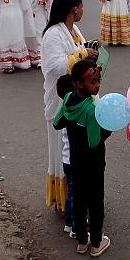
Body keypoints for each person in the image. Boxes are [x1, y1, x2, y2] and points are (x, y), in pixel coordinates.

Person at [41, 0, 98, 215]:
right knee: (63, 149)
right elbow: (55, 67)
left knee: (81, 149)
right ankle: (67, 201)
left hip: (81, 99)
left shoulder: (73, 31)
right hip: (61, 101)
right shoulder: (53, 34)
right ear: (74, 9)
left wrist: (89, 49)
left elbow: (76, 52)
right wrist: (84, 53)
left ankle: (80, 196)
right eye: (81, 7)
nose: (83, 11)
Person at [54, 59, 112, 257]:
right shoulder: (91, 109)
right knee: (95, 202)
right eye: (93, 82)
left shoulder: (69, 98)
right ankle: (96, 243)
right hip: (93, 163)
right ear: (79, 83)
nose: (97, 85)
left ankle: (81, 242)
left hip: (75, 161)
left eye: (98, 80)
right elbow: (94, 141)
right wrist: (108, 127)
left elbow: (57, 123)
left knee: (78, 201)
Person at [56, 74, 76, 237]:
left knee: (72, 191)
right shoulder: (76, 112)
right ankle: (76, 227)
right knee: (77, 194)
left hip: (67, 159)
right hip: (76, 160)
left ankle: (69, 222)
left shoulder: (64, 109)